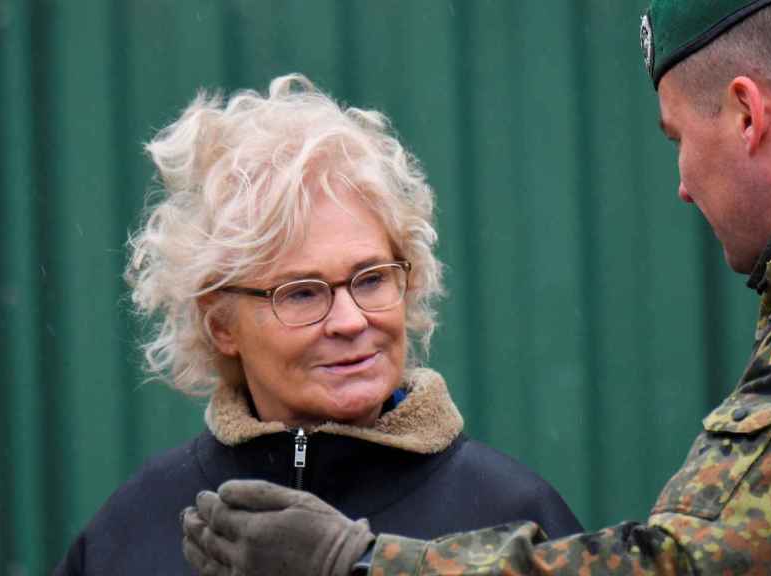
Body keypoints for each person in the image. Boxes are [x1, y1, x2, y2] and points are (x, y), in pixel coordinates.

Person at [182, 1, 771, 573]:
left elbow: (703, 563)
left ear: (745, 113)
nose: (683, 185)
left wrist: (359, 563)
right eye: (299, 292)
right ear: (219, 320)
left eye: (676, 137)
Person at [54, 73, 581, 575]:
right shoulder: (138, 524)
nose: (351, 321)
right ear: (221, 325)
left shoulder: (509, 514)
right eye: (302, 293)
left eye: (371, 279)